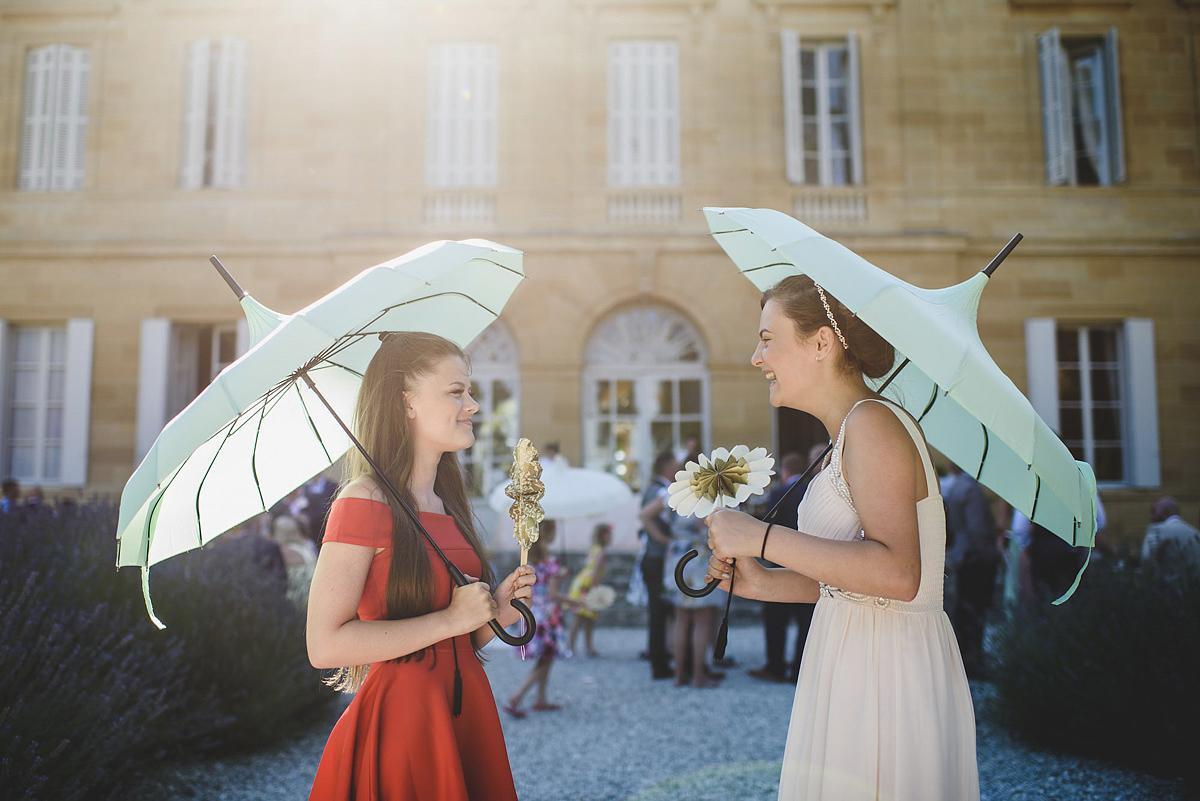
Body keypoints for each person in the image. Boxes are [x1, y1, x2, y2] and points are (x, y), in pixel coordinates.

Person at [703, 274, 979, 800]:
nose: (756, 358)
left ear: (821, 343)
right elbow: (849, 578)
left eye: (767, 339)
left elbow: (900, 575)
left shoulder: (874, 424)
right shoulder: (846, 435)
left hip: (886, 671)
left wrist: (760, 537)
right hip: (851, 657)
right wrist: (762, 583)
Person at [306, 331, 535, 801]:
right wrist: (450, 618)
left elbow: (459, 639)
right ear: (406, 401)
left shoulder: (448, 504)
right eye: (457, 391)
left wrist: (496, 610)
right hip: (405, 721)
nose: (472, 405)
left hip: (466, 707)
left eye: (469, 391)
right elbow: (325, 645)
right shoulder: (363, 500)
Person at [749, 448, 820, 684]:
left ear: (785, 470)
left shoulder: (780, 492)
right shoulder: (814, 492)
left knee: (775, 621)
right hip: (811, 565)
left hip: (780, 564)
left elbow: (768, 525)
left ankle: (775, 666)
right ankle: (799, 669)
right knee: (805, 623)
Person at [503, 521, 577, 716]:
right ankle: (516, 698)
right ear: (548, 533)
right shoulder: (551, 561)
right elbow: (552, 594)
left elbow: (540, 586)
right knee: (546, 660)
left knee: (547, 658)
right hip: (547, 616)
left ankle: (541, 699)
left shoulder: (530, 560)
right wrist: (577, 601)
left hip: (532, 613)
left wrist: (559, 577)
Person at [943, 464, 1002, 677]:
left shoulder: (956, 488)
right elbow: (977, 529)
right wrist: (988, 553)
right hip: (976, 557)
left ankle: (964, 657)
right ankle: (972, 659)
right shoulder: (971, 490)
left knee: (964, 608)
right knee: (975, 609)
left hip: (962, 554)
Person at [664, 508, 726, 688]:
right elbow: (703, 524)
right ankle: (698, 675)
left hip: (678, 555)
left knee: (680, 619)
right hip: (699, 555)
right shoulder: (707, 495)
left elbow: (646, 514)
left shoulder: (676, 492)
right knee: (702, 621)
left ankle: (678, 674)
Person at [637, 450, 680, 680]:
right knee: (659, 612)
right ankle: (659, 662)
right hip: (656, 558)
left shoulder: (654, 487)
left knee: (660, 611)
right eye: (676, 465)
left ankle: (660, 658)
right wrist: (662, 539)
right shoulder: (661, 490)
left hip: (653, 557)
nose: (679, 469)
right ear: (666, 467)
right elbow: (644, 516)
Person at [567, 522, 612, 657]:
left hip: (581, 584)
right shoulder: (602, 552)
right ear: (605, 536)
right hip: (588, 586)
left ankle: (574, 647)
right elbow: (596, 571)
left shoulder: (595, 549)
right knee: (583, 618)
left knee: (582, 618)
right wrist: (596, 591)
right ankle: (580, 647)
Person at [1141, 496, 1200, 589]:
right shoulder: (1194, 532)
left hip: (1166, 590)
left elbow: (1146, 559)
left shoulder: (1156, 530)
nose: (1151, 517)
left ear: (1165, 511)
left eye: (1153, 512)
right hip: (1192, 591)